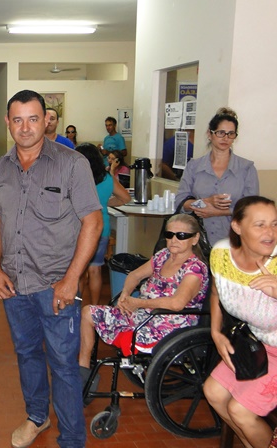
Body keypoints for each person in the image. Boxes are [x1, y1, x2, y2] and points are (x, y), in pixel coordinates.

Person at [0, 90, 102, 448]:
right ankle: (37, 416)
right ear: (8, 122)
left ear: (45, 120)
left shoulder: (71, 164)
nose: (25, 127)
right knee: (27, 354)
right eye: (17, 119)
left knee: (64, 367)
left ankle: (71, 440)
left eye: (33, 119)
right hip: (14, 285)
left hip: (55, 286)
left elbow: (92, 223)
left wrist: (71, 280)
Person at [79, 214, 209, 377]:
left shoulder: (195, 269)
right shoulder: (163, 256)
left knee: (127, 334)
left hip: (169, 324)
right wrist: (125, 295)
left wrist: (139, 303)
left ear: (195, 239)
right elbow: (135, 275)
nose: (174, 240)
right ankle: (83, 368)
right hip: (143, 315)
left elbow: (177, 304)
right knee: (88, 313)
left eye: (181, 236)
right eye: (169, 235)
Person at [204, 196, 277, 448]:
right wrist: (215, 331)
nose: (270, 233)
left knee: (240, 411)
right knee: (213, 392)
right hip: (256, 343)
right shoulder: (222, 254)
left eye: (275, 224)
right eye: (260, 225)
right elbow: (216, 291)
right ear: (237, 226)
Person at [177, 108, 259, 245]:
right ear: (210, 134)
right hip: (198, 241)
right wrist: (205, 201)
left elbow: (251, 208)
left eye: (231, 134)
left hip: (234, 240)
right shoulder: (194, 166)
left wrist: (218, 212)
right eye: (221, 133)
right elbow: (180, 202)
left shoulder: (246, 168)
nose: (225, 138)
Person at [76, 143, 131, 305]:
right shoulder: (107, 178)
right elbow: (125, 198)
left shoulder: (76, 178)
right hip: (102, 229)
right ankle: (94, 307)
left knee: (79, 271)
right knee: (96, 269)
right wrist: (104, 203)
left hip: (79, 229)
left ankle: (77, 308)